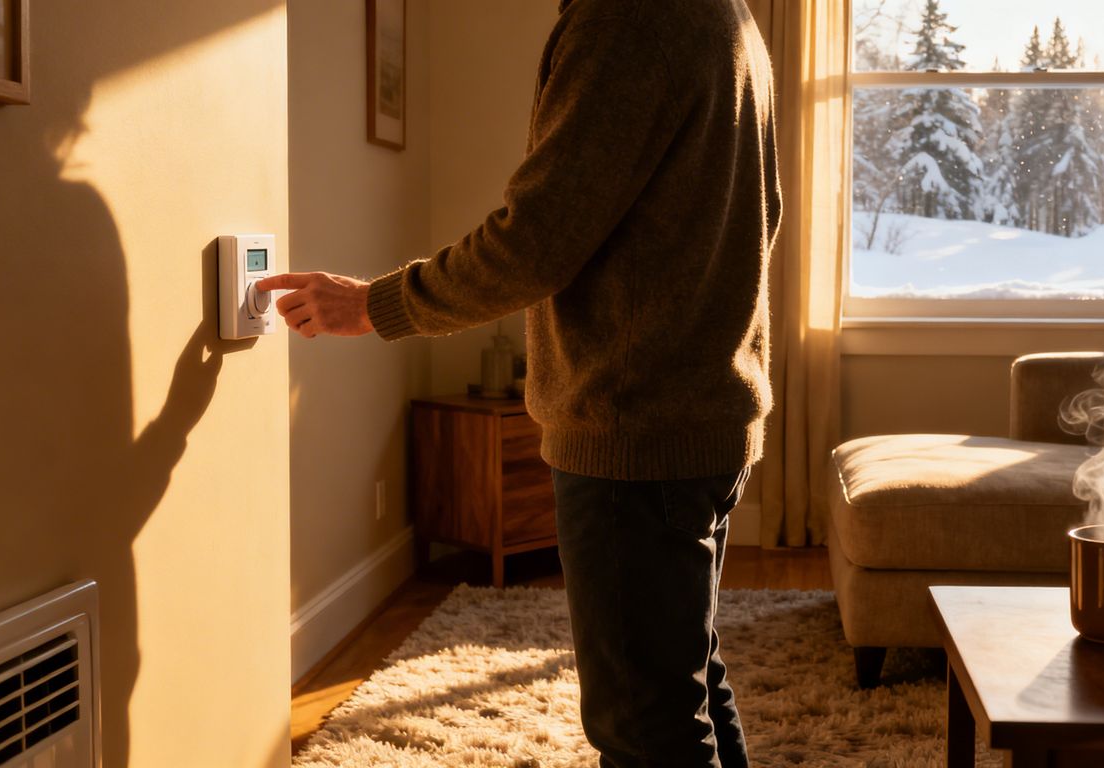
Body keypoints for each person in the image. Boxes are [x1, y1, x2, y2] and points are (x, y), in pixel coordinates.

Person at [259, 0, 780, 763]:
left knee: (646, 725)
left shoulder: (624, 19)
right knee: (682, 686)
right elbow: (758, 216)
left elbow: (535, 242)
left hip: (637, 427)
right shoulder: (723, 14)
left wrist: (373, 305)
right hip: (705, 411)